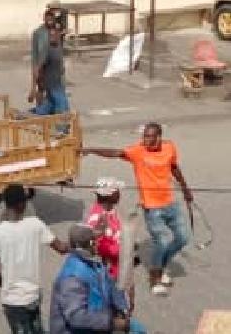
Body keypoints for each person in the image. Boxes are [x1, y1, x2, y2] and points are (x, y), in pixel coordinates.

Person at [81, 123, 192, 296]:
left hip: (171, 203)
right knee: (162, 241)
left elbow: (174, 167)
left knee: (183, 238)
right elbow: (115, 153)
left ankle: (161, 267)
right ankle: (155, 277)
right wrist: (91, 150)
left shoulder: (170, 147)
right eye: (144, 136)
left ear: (158, 137)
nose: (145, 140)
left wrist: (186, 190)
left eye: (149, 137)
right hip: (152, 208)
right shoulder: (137, 151)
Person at [0, 183, 68, 334]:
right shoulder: (36, 225)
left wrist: (4, 284)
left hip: (12, 300)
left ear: (5, 204)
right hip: (33, 296)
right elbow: (61, 248)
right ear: (23, 204)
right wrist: (82, 240)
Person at [50, 224, 145, 334]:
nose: (97, 243)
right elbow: (76, 317)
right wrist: (114, 323)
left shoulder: (94, 262)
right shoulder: (72, 278)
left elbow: (109, 284)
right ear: (89, 244)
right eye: (94, 240)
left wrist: (121, 308)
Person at [85, 177, 126, 281]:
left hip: (116, 269)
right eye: (117, 191)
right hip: (106, 276)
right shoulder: (97, 219)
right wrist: (125, 249)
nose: (119, 194)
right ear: (110, 195)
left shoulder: (110, 210)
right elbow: (98, 248)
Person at [32, 25, 68, 115]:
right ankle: (61, 127)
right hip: (52, 84)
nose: (52, 37)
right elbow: (37, 68)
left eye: (54, 35)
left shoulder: (58, 48)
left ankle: (35, 113)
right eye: (50, 36)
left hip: (57, 82)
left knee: (50, 104)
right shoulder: (48, 50)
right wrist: (34, 88)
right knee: (62, 105)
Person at [29, 8, 57, 105]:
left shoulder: (56, 31)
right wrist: (35, 68)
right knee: (40, 89)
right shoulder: (38, 33)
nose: (49, 21)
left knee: (53, 91)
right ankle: (39, 109)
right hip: (41, 65)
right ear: (44, 19)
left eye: (51, 19)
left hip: (53, 66)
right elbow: (34, 53)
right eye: (47, 19)